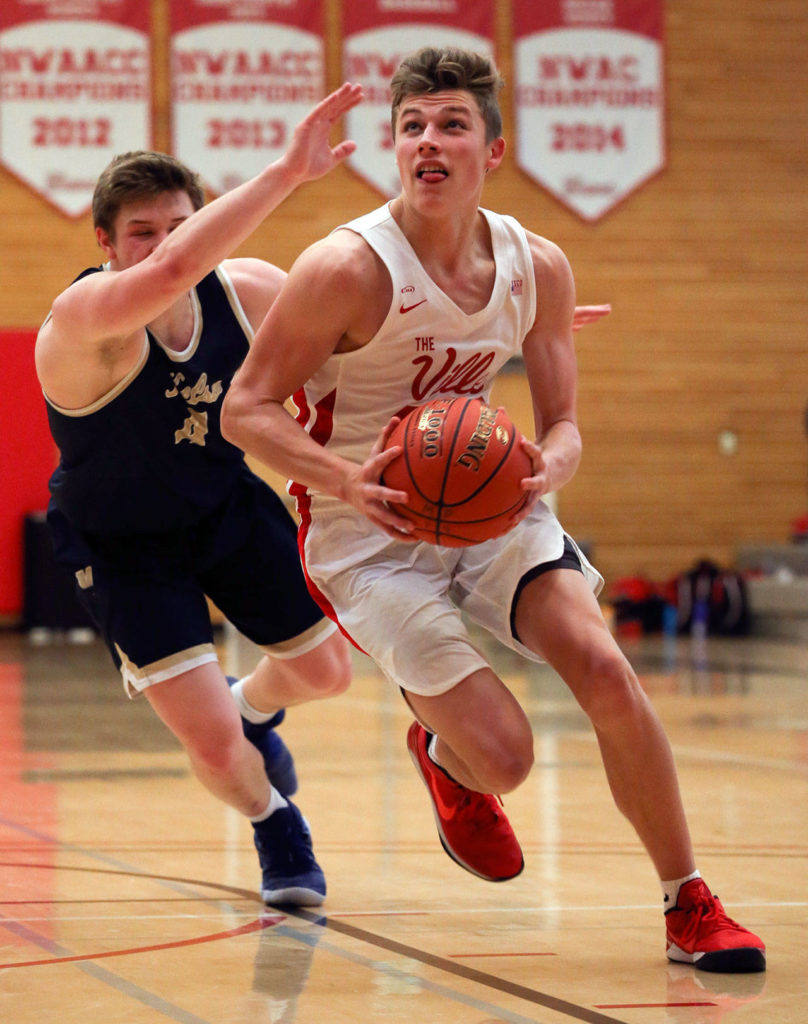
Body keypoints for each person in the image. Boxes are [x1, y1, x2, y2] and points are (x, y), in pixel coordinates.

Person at [221, 47, 766, 973]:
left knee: (603, 666)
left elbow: (564, 430)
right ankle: (448, 756)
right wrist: (346, 479)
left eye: (451, 125)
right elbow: (244, 411)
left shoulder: (536, 266)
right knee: (506, 758)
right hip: (368, 533)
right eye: (411, 127)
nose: (428, 142)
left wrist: (550, 461)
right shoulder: (345, 268)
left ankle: (689, 902)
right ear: (394, 149)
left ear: (495, 150)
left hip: (494, 508)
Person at [34, 84, 365, 908]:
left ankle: (253, 708)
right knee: (217, 755)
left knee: (328, 673)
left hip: (224, 508)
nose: (163, 249)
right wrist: (290, 172)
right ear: (106, 244)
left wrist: (497, 327)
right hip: (121, 546)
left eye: (179, 228)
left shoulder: (246, 289)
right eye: (140, 233)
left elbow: (356, 354)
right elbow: (178, 271)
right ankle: (274, 824)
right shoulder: (84, 320)